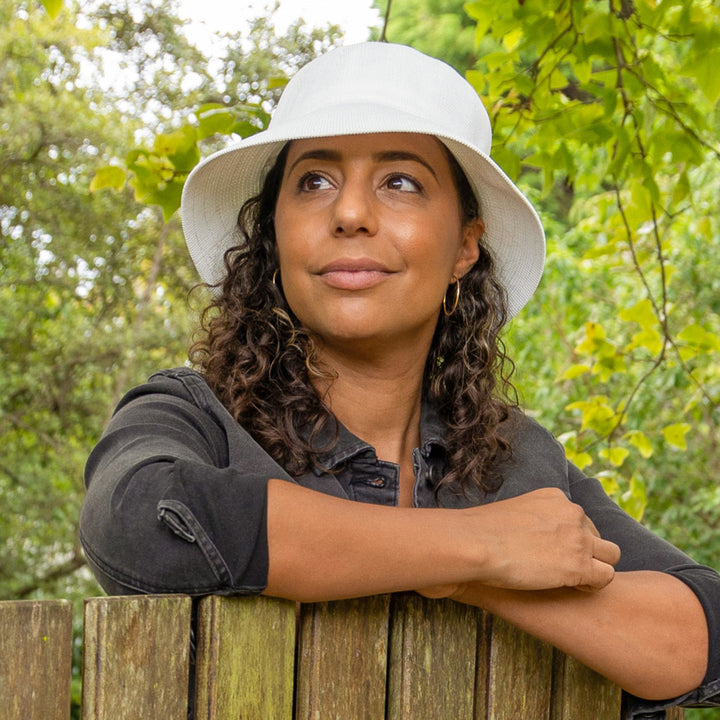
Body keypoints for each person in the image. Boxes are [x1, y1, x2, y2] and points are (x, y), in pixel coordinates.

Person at [80, 42, 720, 716]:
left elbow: (702, 631)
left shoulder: (518, 462)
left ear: (465, 247)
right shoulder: (192, 417)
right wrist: (480, 549)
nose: (350, 213)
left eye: (401, 182)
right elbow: (137, 518)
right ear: (276, 234)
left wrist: (471, 579)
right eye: (314, 181)